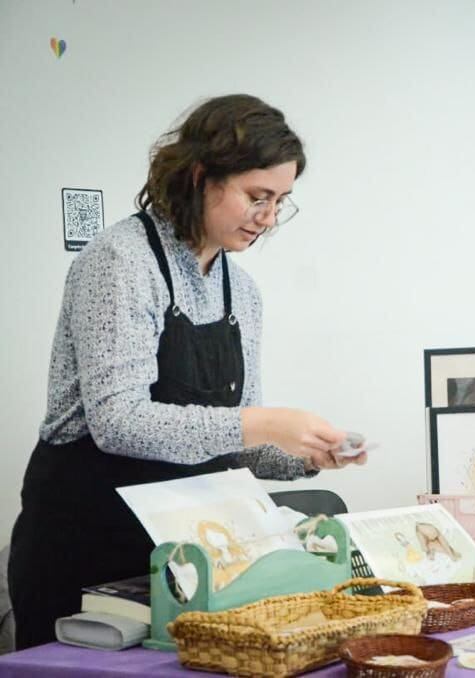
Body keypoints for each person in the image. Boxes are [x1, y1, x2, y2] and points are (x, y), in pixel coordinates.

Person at [8, 94, 368, 650]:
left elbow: (229, 443)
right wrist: (264, 423)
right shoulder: (120, 263)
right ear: (202, 176)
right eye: (257, 197)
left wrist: (307, 454)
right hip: (83, 544)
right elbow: (121, 423)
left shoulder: (239, 290)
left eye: (281, 201)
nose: (269, 218)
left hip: (179, 555)